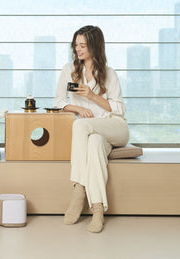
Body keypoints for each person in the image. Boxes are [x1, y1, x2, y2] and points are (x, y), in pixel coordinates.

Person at [54, 25, 129, 233]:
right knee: (94, 143)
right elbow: (59, 102)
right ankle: (97, 210)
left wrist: (92, 96)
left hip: (114, 126)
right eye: (76, 45)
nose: (78, 49)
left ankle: (79, 189)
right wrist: (77, 106)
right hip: (93, 134)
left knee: (80, 125)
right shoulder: (68, 70)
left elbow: (120, 109)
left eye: (83, 45)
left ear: (94, 47)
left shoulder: (109, 73)